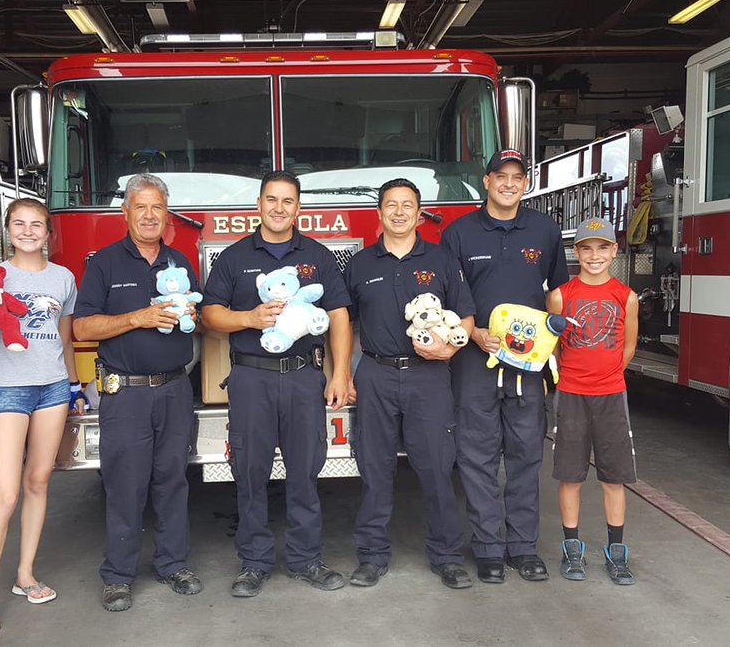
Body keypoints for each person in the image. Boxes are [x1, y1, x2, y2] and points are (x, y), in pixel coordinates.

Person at [201, 170, 354, 598]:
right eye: (272, 199)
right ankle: (254, 562)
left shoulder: (318, 256)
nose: (279, 208)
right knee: (250, 472)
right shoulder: (232, 258)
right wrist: (249, 318)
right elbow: (209, 315)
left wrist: (339, 373)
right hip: (250, 378)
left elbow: (338, 314)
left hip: (305, 377)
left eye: (288, 201)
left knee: (306, 471)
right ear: (259, 204)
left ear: (298, 208)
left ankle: (306, 559)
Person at [73, 174, 204, 612]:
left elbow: (196, 318)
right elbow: (83, 326)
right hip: (125, 394)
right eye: (141, 207)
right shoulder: (104, 263)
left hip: (173, 390)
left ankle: (173, 564)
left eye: (157, 208)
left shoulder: (181, 263)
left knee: (173, 481)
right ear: (125, 212)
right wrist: (138, 318)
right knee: (125, 486)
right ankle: (117, 576)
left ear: (167, 215)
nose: (149, 215)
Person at [440, 149, 569, 584]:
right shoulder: (458, 235)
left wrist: (556, 345)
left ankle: (523, 547)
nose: (510, 183)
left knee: (526, 455)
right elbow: (449, 300)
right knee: (475, 458)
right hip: (475, 363)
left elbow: (557, 295)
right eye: (502, 176)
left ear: (525, 183)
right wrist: (473, 333)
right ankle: (489, 549)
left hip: (528, 366)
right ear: (487, 180)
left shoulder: (544, 230)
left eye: (518, 176)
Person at [0, 197, 86, 636]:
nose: (29, 231)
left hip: (53, 387)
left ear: (49, 233)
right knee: (6, 494)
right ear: (8, 230)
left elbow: (65, 339)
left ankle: (25, 575)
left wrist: (74, 389)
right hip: (8, 390)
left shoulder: (64, 278)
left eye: (37, 225)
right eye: (20, 224)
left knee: (39, 481)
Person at [343, 178, 475, 590]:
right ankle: (372, 555)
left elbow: (467, 316)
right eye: (390, 205)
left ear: (420, 214)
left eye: (407, 205)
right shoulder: (360, 264)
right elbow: (343, 323)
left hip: (430, 377)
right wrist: (343, 373)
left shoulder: (441, 259)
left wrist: (452, 349)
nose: (399, 212)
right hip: (376, 374)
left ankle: (447, 556)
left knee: (437, 467)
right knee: (374, 468)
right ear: (378, 213)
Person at [546, 217, 639, 585]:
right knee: (570, 474)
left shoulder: (625, 296)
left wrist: (608, 374)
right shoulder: (561, 295)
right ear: (577, 252)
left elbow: (628, 346)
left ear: (614, 252)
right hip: (571, 393)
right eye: (587, 248)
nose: (594, 255)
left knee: (613, 477)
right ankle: (572, 546)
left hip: (611, 394)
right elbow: (552, 345)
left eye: (603, 248)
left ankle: (616, 549)